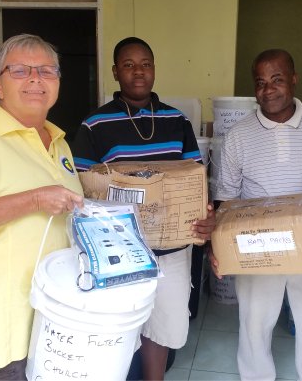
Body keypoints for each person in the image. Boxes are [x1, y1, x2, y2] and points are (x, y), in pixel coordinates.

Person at [71, 37, 215, 381]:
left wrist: (204, 214)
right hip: (119, 250)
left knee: (163, 326)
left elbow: (194, 180)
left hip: (172, 247)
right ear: (115, 72)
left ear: (154, 69)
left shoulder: (176, 121)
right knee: (119, 330)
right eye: (129, 64)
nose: (138, 72)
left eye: (145, 64)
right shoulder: (94, 125)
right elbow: (81, 187)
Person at [210, 49, 302, 381]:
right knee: (254, 326)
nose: (268, 90)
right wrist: (216, 248)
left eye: (277, 80)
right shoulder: (238, 136)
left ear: (293, 79)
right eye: (260, 83)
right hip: (256, 246)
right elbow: (226, 201)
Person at [0, 34, 84, 380]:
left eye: (47, 71)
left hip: (53, 329)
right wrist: (34, 199)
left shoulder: (60, 143)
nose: (36, 79)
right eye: (20, 70)